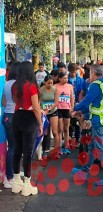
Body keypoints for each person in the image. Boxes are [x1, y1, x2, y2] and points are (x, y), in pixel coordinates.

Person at [71, 64, 103, 186]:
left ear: (93, 73)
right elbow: (96, 103)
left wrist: (75, 108)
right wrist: (81, 111)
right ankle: (85, 169)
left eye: (90, 73)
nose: (89, 75)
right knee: (93, 146)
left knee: (99, 148)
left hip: (99, 121)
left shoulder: (95, 85)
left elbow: (88, 100)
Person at [11, 61, 43, 196]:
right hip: (29, 119)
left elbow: (14, 101)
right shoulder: (32, 86)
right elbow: (36, 107)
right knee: (28, 152)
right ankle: (27, 184)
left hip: (17, 117)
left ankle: (16, 181)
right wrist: (40, 123)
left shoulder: (14, 85)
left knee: (17, 150)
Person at [1, 62, 19, 188]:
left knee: (11, 147)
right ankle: (10, 177)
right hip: (15, 116)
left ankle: (10, 176)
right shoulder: (18, 85)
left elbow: (3, 102)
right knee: (14, 147)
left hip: (6, 116)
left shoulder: (6, 84)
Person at [39, 75, 59, 160]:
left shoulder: (55, 90)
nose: (50, 84)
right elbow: (38, 101)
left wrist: (50, 109)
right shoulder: (41, 90)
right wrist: (42, 110)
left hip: (53, 111)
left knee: (55, 132)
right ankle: (45, 151)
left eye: (52, 83)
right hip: (44, 112)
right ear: (45, 82)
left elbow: (56, 102)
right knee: (46, 133)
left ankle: (57, 150)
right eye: (49, 83)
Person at [55, 72, 74, 155]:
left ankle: (66, 146)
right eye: (64, 78)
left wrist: (72, 107)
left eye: (66, 78)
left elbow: (72, 97)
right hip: (58, 109)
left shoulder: (70, 86)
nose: (66, 80)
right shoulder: (55, 86)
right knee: (60, 129)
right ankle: (59, 147)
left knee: (66, 129)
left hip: (67, 109)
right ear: (59, 79)